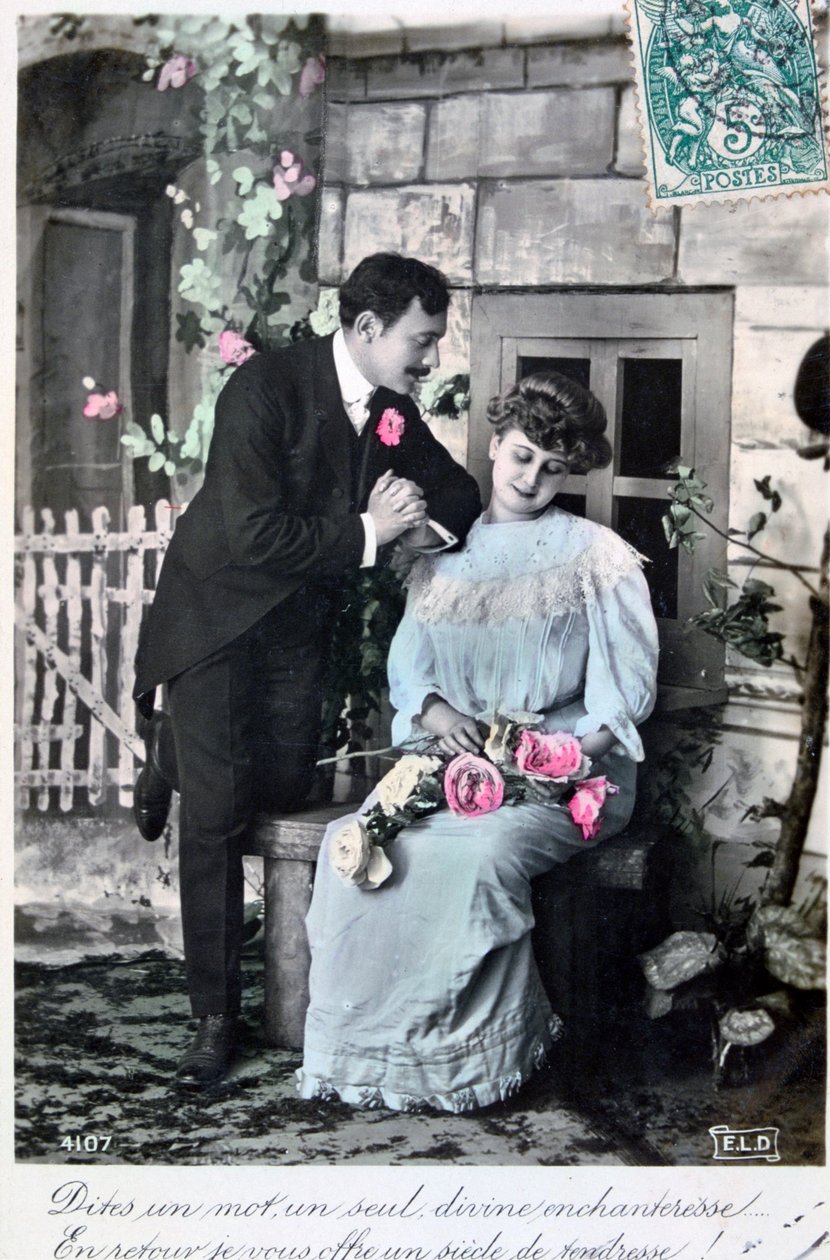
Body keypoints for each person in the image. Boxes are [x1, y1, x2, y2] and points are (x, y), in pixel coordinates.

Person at [132, 253, 482, 1088]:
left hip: (294, 630)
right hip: (218, 617)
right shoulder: (261, 390)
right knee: (218, 816)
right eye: (421, 340)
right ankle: (214, 1018)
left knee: (284, 788)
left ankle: (171, 753)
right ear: (366, 327)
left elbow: (460, 494)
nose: (431, 358)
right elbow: (253, 536)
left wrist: (419, 532)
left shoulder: (391, 408)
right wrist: (369, 531)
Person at [298, 371, 659, 1113]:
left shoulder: (594, 555)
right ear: (495, 445)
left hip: (568, 775)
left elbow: (624, 691)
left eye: (553, 468)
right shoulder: (442, 555)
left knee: (476, 854)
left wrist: (558, 756)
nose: (531, 479)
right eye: (522, 456)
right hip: (453, 764)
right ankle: (371, 1054)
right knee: (355, 843)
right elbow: (412, 672)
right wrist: (440, 720)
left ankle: (467, 1062)